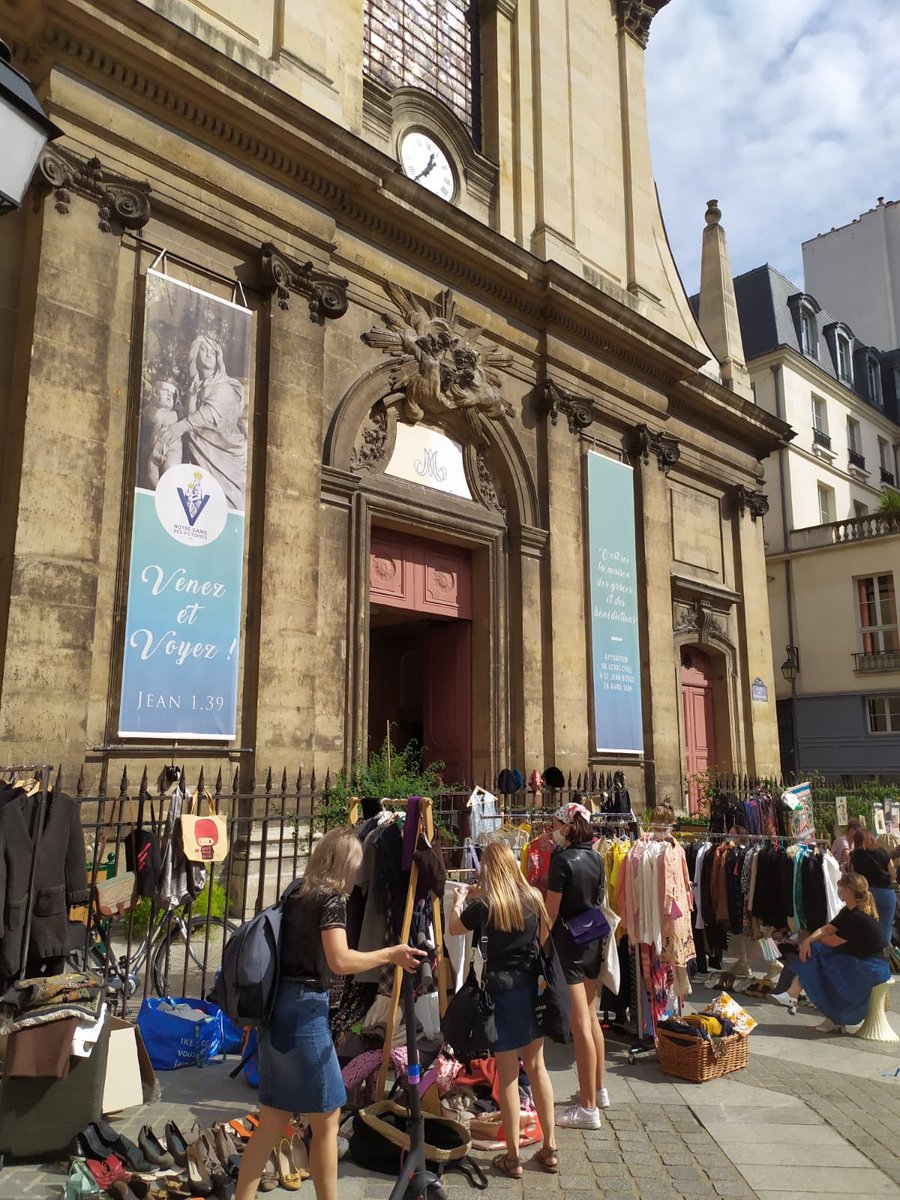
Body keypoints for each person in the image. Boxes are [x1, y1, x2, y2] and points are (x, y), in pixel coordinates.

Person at [235, 827, 425, 1200]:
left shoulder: (296, 891)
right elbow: (340, 961)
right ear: (344, 864)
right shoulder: (331, 899)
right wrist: (391, 953)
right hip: (305, 1012)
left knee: (272, 1119)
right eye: (355, 867)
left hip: (277, 1012)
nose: (356, 876)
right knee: (327, 1118)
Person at [448, 840, 558, 1180]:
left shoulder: (485, 905)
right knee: (538, 1067)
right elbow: (544, 938)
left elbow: (454, 928)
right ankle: (550, 1147)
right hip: (531, 988)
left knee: (508, 1075)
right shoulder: (534, 898)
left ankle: (513, 1157)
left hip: (500, 990)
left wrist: (457, 902)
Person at [544, 800, 608, 1129]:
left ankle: (587, 1108)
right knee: (592, 1018)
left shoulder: (562, 861)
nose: (553, 831)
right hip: (593, 937)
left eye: (556, 824)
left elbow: (551, 911)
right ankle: (598, 1089)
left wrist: (537, 942)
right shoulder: (597, 856)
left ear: (567, 825)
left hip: (569, 941)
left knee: (580, 1022)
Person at [769, 872, 890, 1033]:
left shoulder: (858, 917)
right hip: (860, 959)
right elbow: (827, 929)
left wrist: (809, 941)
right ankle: (793, 995)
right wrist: (807, 941)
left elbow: (832, 940)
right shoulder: (849, 911)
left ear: (849, 890)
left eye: (841, 887)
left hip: (872, 966)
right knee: (816, 951)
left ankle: (794, 995)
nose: (838, 890)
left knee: (819, 956)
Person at [156, 332, 248, 511]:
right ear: (196, 352)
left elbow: (210, 413)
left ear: (218, 357)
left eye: (212, 352)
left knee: (225, 500)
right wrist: (191, 397)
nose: (208, 354)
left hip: (225, 450)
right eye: (204, 349)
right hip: (201, 447)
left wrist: (180, 427)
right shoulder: (197, 385)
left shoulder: (227, 385)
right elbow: (195, 427)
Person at [850, 829, 897, 944]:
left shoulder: (854, 855)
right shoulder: (883, 852)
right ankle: (883, 957)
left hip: (866, 894)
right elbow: (893, 874)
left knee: (867, 928)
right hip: (886, 893)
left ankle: (868, 956)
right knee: (885, 929)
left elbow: (852, 876)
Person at [141, 378, 183, 486]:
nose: (169, 396)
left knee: (170, 471)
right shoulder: (152, 410)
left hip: (173, 448)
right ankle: (154, 493)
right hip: (155, 449)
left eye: (173, 394)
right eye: (166, 391)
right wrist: (154, 403)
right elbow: (147, 417)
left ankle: (167, 493)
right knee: (151, 475)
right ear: (155, 392)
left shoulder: (175, 414)